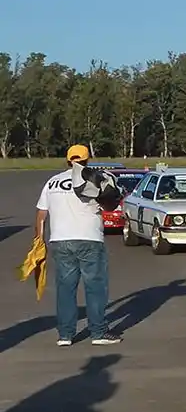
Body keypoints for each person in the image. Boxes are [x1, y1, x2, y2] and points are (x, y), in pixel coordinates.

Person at [35, 145, 121, 346]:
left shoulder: (52, 182)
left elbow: (41, 214)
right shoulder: (94, 179)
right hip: (89, 238)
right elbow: (110, 203)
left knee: (65, 289)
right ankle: (98, 332)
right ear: (87, 160)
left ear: (67, 160)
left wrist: (38, 240)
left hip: (60, 240)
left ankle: (65, 335)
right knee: (95, 287)